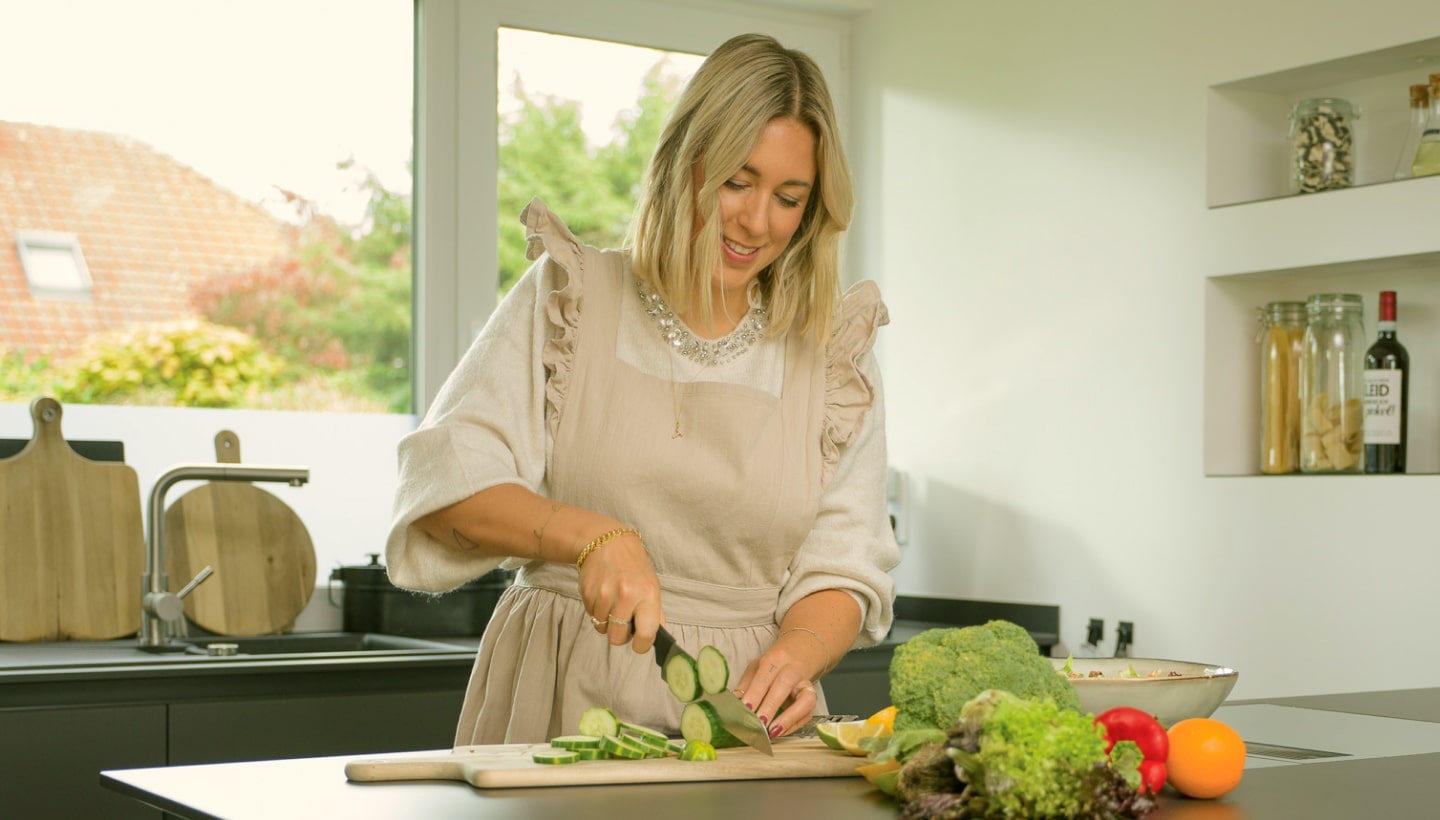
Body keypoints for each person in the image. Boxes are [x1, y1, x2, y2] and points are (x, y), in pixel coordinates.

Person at [385, 32, 900, 746]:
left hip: (744, 723)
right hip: (561, 692)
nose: (757, 222)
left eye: (789, 197)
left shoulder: (831, 353)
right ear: (683, 165)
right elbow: (445, 489)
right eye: (736, 182)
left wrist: (797, 655)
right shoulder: (571, 301)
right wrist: (592, 536)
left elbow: (846, 560)